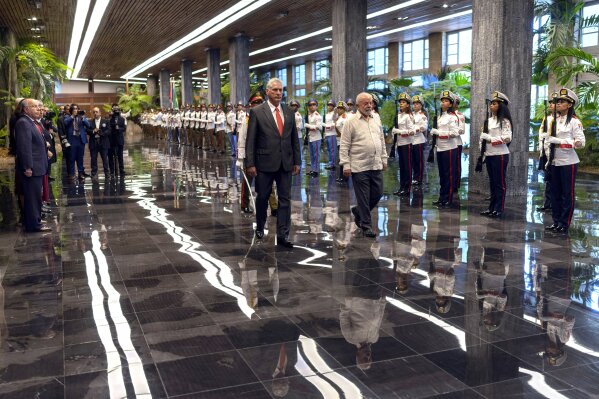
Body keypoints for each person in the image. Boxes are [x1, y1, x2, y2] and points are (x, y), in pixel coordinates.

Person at [245, 78, 301, 248]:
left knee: (285, 199)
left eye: (280, 90)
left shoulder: (288, 112)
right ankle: (260, 225)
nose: (278, 93)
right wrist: (250, 163)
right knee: (262, 197)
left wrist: (297, 161)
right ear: (267, 92)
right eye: (275, 90)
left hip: (285, 163)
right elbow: (251, 140)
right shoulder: (257, 112)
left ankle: (283, 235)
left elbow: (294, 139)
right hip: (264, 163)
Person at [339, 92, 387, 238]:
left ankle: (359, 211)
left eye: (370, 102)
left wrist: (384, 158)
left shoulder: (376, 118)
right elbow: (344, 145)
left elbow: (381, 139)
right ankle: (366, 225)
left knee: (378, 193)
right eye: (365, 103)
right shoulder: (350, 121)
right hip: (359, 166)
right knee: (364, 197)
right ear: (358, 105)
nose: (369, 105)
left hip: (375, 163)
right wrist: (345, 165)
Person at [545, 88, 585, 234]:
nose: (559, 103)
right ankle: (556, 222)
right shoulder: (554, 120)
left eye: (562, 101)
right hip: (555, 161)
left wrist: (561, 141)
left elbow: (580, 142)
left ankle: (564, 223)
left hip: (569, 162)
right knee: (555, 193)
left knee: (567, 193)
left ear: (569, 104)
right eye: (558, 101)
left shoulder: (574, 122)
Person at [15, 99, 50, 232]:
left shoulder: (31, 122)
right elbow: (25, 147)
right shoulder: (23, 123)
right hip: (32, 168)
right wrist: (27, 166)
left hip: (38, 166)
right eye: (34, 106)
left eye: (38, 106)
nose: (38, 109)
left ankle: (35, 220)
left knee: (35, 197)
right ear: (26, 109)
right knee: (32, 198)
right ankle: (34, 225)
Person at [479, 91, 512, 218]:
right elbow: (482, 139)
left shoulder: (504, 121)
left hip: (500, 154)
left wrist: (491, 139)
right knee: (492, 183)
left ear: (501, 106)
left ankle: (499, 208)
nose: (491, 106)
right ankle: (491, 207)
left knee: (499, 183)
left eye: (494, 103)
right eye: (491, 103)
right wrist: (482, 152)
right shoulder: (488, 121)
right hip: (490, 154)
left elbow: (507, 138)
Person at [430, 91, 459, 208]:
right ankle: (442, 197)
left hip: (450, 148)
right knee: (442, 175)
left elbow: (454, 133)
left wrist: (439, 133)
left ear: (451, 104)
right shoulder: (439, 117)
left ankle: (449, 199)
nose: (443, 103)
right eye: (442, 101)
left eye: (446, 101)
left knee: (449, 175)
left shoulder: (453, 117)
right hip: (440, 148)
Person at [537, 93, 557, 212]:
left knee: (554, 180)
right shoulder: (547, 118)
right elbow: (541, 135)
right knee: (548, 179)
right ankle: (547, 204)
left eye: (553, 102)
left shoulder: (559, 120)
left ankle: (553, 204)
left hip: (554, 154)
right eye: (550, 102)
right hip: (545, 152)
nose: (551, 104)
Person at [392, 93, 415, 197]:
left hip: (407, 143)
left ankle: (407, 189)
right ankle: (401, 187)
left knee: (407, 167)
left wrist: (399, 131)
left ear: (408, 105)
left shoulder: (408, 116)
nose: (401, 104)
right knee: (401, 167)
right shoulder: (398, 115)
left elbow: (412, 131)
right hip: (400, 144)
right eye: (400, 102)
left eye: (403, 102)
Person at [63, 103, 91, 182]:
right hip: (72, 140)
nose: (76, 110)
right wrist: (72, 116)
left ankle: (81, 173)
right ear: (72, 110)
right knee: (72, 158)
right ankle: (72, 174)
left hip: (80, 140)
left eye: (77, 109)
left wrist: (83, 118)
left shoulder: (82, 117)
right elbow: (65, 123)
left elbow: (88, 125)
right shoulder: (68, 117)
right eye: (74, 109)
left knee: (80, 158)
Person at [87, 107, 111, 180]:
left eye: (96, 112)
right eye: (94, 112)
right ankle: (94, 174)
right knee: (93, 159)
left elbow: (109, 130)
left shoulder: (106, 121)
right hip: (93, 143)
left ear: (100, 112)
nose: (95, 113)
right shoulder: (90, 122)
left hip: (103, 142)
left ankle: (107, 174)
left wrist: (102, 133)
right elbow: (87, 130)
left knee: (105, 159)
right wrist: (93, 131)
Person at [411, 95, 428, 186]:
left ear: (421, 105)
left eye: (417, 104)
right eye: (414, 104)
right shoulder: (411, 114)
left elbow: (424, 127)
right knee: (413, 160)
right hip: (411, 140)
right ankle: (415, 177)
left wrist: (414, 129)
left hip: (418, 140)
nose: (415, 105)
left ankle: (419, 178)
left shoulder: (422, 116)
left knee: (419, 161)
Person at [304, 99, 323, 177]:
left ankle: (316, 170)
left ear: (316, 106)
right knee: (311, 155)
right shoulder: (309, 116)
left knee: (316, 155)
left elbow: (319, 127)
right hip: (310, 137)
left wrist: (308, 126)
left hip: (316, 138)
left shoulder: (317, 116)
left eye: (313, 105)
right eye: (310, 105)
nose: (312, 106)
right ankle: (312, 169)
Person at [452, 95, 466, 191]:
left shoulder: (460, 115)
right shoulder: (443, 115)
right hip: (444, 144)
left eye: (454, 102)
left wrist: (451, 131)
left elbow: (462, 130)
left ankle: (455, 185)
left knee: (456, 165)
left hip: (456, 143)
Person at [108, 104, 126, 177]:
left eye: (117, 110)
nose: (116, 112)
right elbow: (108, 127)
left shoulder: (122, 119)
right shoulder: (109, 119)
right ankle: (112, 171)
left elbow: (124, 128)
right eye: (114, 110)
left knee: (120, 156)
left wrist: (119, 128)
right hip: (111, 140)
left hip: (119, 140)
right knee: (111, 157)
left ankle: (121, 170)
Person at [335, 101, 349, 182]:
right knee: (341, 159)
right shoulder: (340, 117)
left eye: (341, 108)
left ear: (344, 109)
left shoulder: (344, 118)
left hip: (343, 141)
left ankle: (344, 177)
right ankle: (342, 176)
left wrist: (340, 134)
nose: (339, 110)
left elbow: (345, 131)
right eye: (338, 108)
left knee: (343, 159)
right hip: (339, 141)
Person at [323, 99, 337, 171]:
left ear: (333, 106)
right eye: (328, 105)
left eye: (331, 105)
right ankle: (330, 162)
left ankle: (333, 164)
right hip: (327, 134)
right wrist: (325, 134)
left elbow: (334, 123)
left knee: (332, 149)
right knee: (328, 149)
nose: (329, 106)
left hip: (332, 133)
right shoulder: (327, 114)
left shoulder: (334, 114)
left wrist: (329, 126)